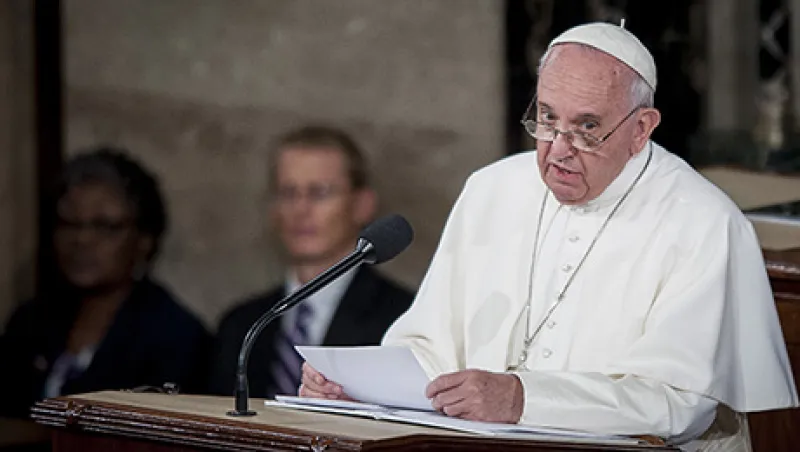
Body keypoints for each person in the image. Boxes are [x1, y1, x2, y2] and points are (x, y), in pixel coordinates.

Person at [298, 22, 799, 450]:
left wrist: (522, 399)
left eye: (586, 127)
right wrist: (360, 388)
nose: (558, 149)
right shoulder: (492, 190)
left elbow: (679, 403)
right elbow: (434, 348)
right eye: (546, 119)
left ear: (641, 128)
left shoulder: (703, 221)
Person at [0, 147, 210, 418]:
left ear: (144, 240)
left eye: (104, 226)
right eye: (69, 224)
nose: (82, 240)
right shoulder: (30, 321)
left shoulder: (175, 337)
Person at [207, 126, 414, 398]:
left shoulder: (403, 320)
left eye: (319, 192)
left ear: (362, 204)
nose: (301, 209)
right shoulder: (243, 325)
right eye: (289, 193)